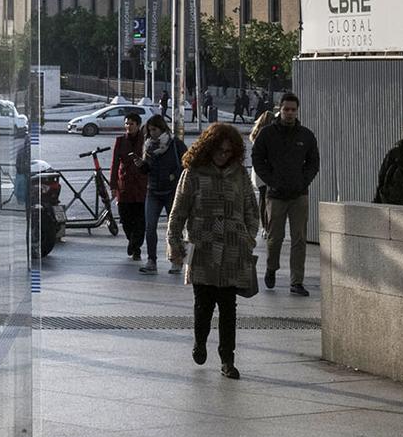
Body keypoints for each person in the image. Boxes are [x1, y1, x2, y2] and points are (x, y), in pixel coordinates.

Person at [167, 123, 260, 379]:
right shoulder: (194, 173)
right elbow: (178, 211)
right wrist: (174, 242)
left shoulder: (239, 174)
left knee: (229, 308)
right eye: (219, 150)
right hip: (203, 249)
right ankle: (199, 342)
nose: (223, 155)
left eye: (228, 151)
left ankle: (227, 359)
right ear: (209, 148)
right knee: (203, 305)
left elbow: (252, 210)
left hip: (232, 249)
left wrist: (247, 237)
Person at [250, 92, 320, 296]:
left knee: (299, 239)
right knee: (275, 237)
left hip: (299, 194)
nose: (289, 113)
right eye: (286, 109)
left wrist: (303, 180)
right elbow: (257, 158)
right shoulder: (268, 134)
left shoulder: (306, 135)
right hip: (276, 195)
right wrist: (271, 180)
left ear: (297, 111)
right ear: (279, 110)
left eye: (293, 110)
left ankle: (296, 280)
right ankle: (271, 268)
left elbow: (314, 162)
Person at [136, 116, 185, 275]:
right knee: (150, 227)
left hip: (171, 191)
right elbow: (147, 169)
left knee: (174, 228)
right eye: (149, 130)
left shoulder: (174, 144)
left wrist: (173, 175)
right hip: (153, 190)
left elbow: (187, 162)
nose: (152, 133)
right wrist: (141, 166)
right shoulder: (148, 146)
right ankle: (151, 261)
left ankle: (176, 260)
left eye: (154, 130)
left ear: (162, 128)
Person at [109, 113, 149, 261]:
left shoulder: (145, 141)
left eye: (132, 124)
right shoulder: (120, 141)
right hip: (124, 185)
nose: (129, 126)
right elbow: (114, 164)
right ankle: (131, 241)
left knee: (140, 220)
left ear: (138, 125)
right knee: (125, 218)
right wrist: (113, 185)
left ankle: (136, 246)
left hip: (141, 186)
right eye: (127, 123)